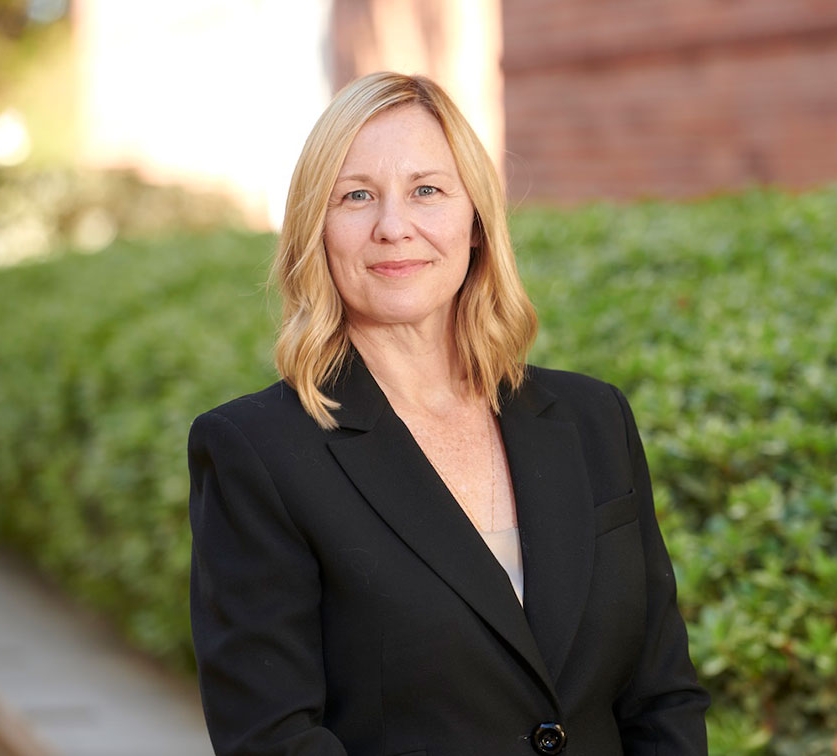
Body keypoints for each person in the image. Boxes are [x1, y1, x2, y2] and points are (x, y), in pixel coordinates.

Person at [188, 71, 710, 756]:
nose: (393, 227)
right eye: (356, 196)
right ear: (316, 230)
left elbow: (660, 695)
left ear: (474, 224)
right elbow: (274, 737)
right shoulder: (255, 451)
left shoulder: (592, 420)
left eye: (427, 190)